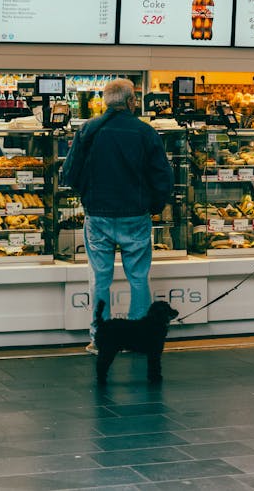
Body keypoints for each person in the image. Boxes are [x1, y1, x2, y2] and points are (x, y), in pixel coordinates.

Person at [62, 78, 174, 353]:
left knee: (100, 278)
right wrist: (154, 207)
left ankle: (100, 339)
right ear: (132, 101)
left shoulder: (89, 129)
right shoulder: (145, 132)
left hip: (97, 216)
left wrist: (88, 196)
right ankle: (139, 337)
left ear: (104, 102)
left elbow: (68, 174)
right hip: (135, 215)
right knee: (138, 277)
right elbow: (163, 178)